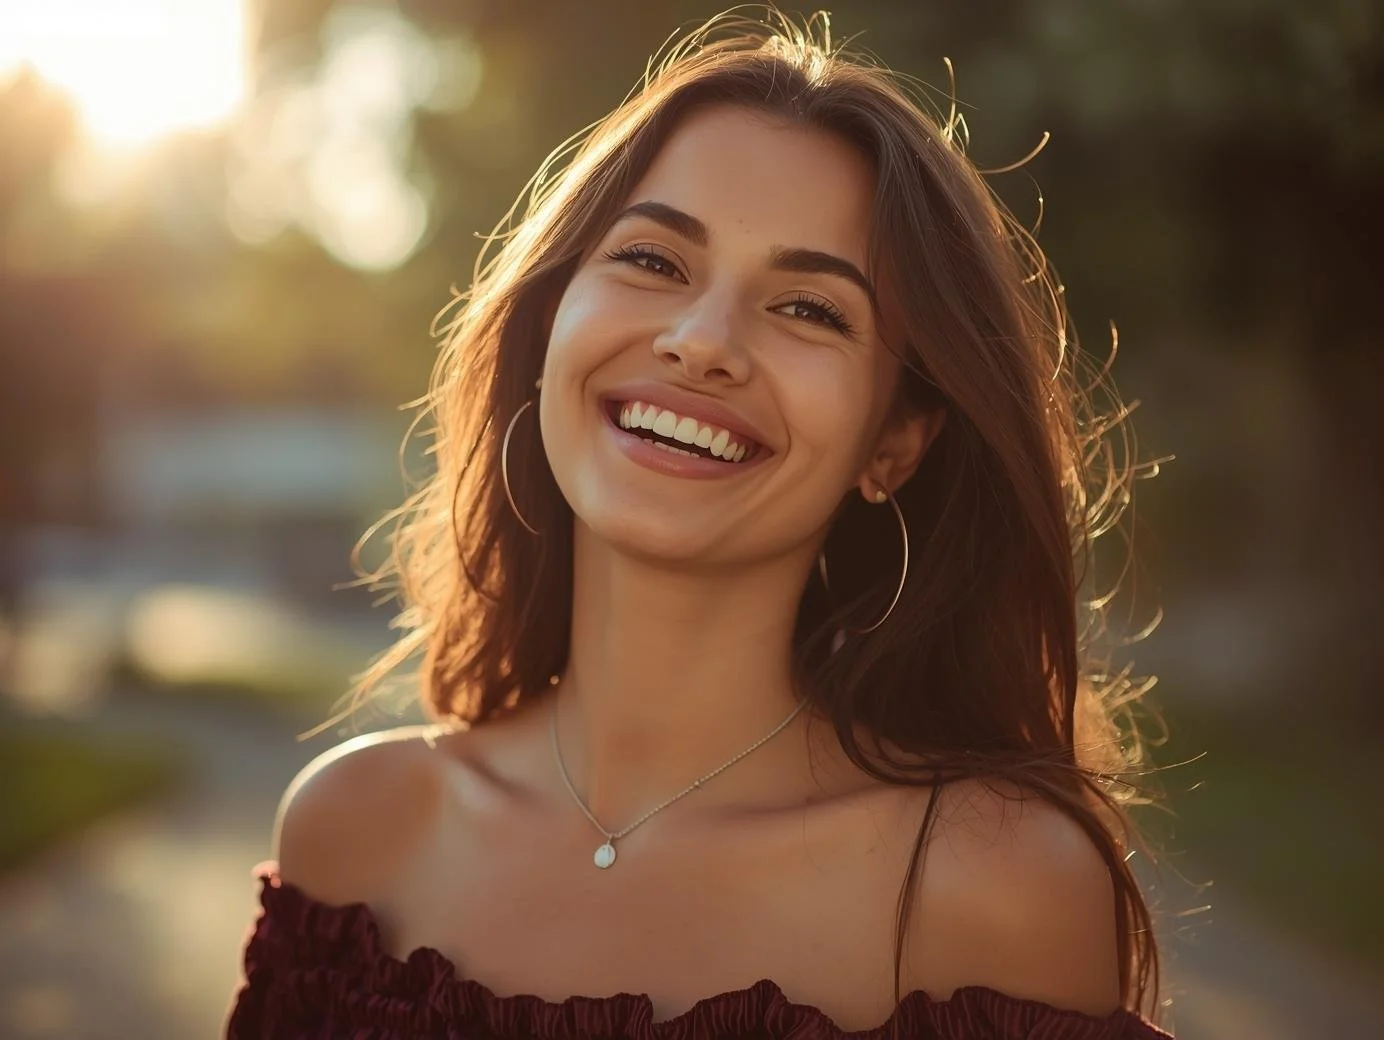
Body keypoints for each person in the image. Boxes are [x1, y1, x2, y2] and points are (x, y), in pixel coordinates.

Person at [227, 10, 1173, 1039]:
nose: (701, 342)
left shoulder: (993, 890)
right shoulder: (358, 829)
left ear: (892, 443)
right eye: (654, 261)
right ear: (550, 327)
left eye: (810, 308)